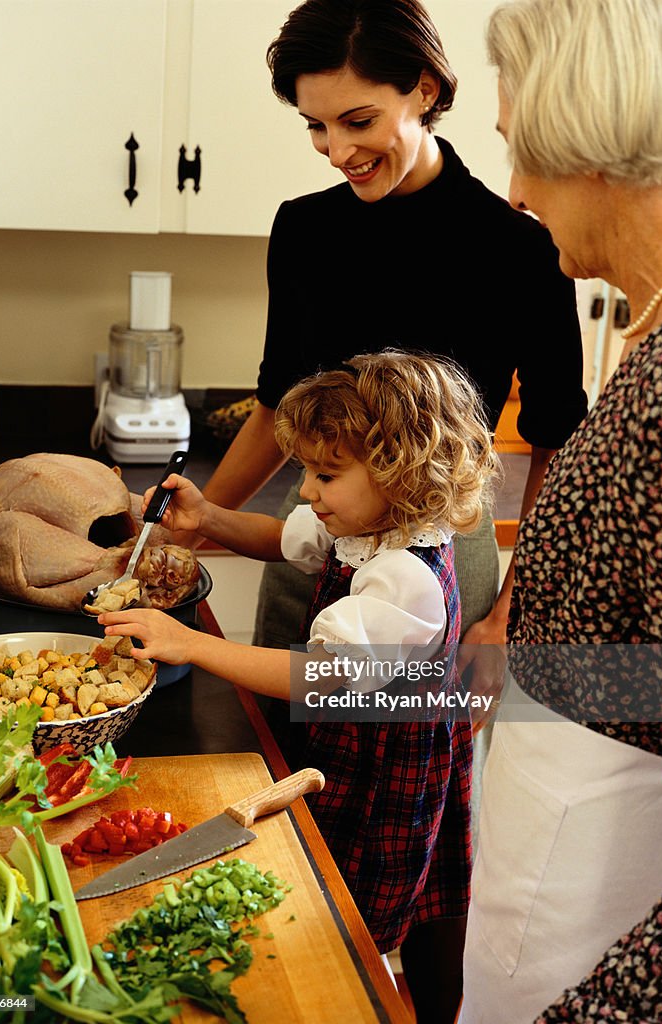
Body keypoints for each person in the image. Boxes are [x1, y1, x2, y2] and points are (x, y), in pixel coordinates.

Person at [101, 350, 499, 1022]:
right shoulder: (369, 523)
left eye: (324, 474)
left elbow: (324, 676)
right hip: (348, 751)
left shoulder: (406, 575)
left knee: (351, 923)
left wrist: (190, 643)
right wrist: (208, 519)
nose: (307, 490)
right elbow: (284, 538)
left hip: (384, 775)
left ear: (400, 473)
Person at [198, 0, 587, 680]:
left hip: (442, 558)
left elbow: (559, 445)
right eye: (315, 126)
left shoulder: (522, 250)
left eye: (358, 120)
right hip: (313, 534)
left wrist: (506, 617)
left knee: (402, 776)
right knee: (270, 756)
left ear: (424, 90)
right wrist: (195, 523)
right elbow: (273, 406)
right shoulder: (303, 231)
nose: (338, 151)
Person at [460, 0, 662, 1021]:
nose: (515, 193)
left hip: (585, 930)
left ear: (590, 144)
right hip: (545, 871)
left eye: (524, 155)